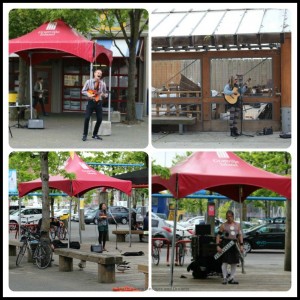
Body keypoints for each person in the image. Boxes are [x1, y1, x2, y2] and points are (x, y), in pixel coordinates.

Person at [216, 210, 244, 285]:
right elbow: (218, 236)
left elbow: (240, 235)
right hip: (226, 244)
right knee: (225, 262)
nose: (229, 218)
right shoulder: (223, 225)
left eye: (230, 216)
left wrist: (241, 245)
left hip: (234, 244)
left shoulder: (237, 225)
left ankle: (231, 278)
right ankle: (225, 278)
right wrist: (218, 246)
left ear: (233, 216)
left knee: (234, 262)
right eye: (227, 217)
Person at [81, 69, 108, 141]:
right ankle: (85, 134)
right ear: (94, 74)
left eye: (100, 73)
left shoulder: (103, 84)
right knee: (87, 118)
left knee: (100, 119)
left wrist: (104, 95)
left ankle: (95, 134)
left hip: (98, 103)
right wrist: (89, 94)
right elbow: (83, 91)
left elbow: (106, 93)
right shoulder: (88, 82)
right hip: (90, 102)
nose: (99, 74)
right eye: (98, 73)